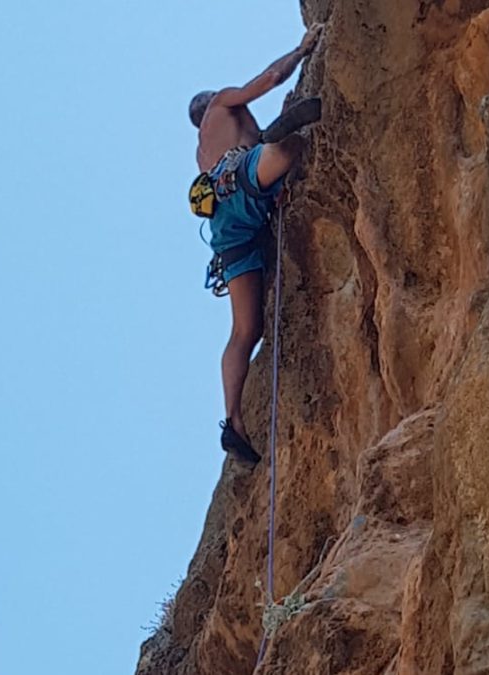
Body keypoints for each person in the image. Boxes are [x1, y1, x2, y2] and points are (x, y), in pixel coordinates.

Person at [188, 25, 324, 464]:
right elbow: (265, 81)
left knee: (246, 331)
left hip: (227, 229)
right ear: (209, 102)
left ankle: (234, 421)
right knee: (289, 149)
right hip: (242, 180)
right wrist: (301, 51)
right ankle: (274, 148)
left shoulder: (200, 153)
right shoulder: (224, 103)